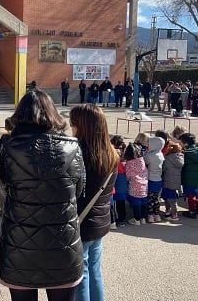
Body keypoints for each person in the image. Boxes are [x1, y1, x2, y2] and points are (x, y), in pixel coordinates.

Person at [0, 89, 86, 301]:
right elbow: (79, 190)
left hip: (19, 246)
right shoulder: (72, 147)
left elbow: (4, 189)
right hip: (63, 246)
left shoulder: (8, 147)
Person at [70, 104, 118, 301]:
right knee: (94, 269)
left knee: (80, 274)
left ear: (82, 126)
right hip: (100, 221)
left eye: (73, 123)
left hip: (81, 222)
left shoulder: (77, 154)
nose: (70, 127)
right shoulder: (111, 153)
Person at [179, 133, 198, 219]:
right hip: (197, 175)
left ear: (185, 143)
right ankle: (197, 208)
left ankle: (192, 211)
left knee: (190, 195)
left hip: (188, 176)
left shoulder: (187, 152)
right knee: (196, 193)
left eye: (180, 142)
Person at [125, 143, 148, 225]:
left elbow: (128, 175)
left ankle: (137, 219)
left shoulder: (129, 163)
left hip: (134, 184)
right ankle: (143, 218)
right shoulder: (142, 160)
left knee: (136, 202)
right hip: (144, 184)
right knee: (144, 201)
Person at [0, 117, 13, 216]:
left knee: (2, 193)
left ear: (5, 128)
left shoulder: (1, 141)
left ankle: (3, 211)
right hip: (14, 172)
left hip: (2, 171)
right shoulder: (18, 141)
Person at [161, 141, 184, 221]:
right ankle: (172, 213)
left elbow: (163, 169)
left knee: (167, 198)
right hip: (176, 182)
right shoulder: (181, 158)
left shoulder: (167, 159)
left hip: (167, 181)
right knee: (173, 199)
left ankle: (171, 213)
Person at [144, 136, 164, 223]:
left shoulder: (150, 155)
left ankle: (150, 215)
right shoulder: (160, 154)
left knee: (150, 199)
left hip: (151, 179)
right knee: (156, 199)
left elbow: (144, 162)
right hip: (158, 179)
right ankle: (157, 215)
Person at [110, 135, 128, 227]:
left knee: (115, 203)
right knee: (121, 201)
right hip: (123, 179)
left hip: (117, 180)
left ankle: (117, 220)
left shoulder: (113, 154)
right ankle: (123, 218)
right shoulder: (124, 154)